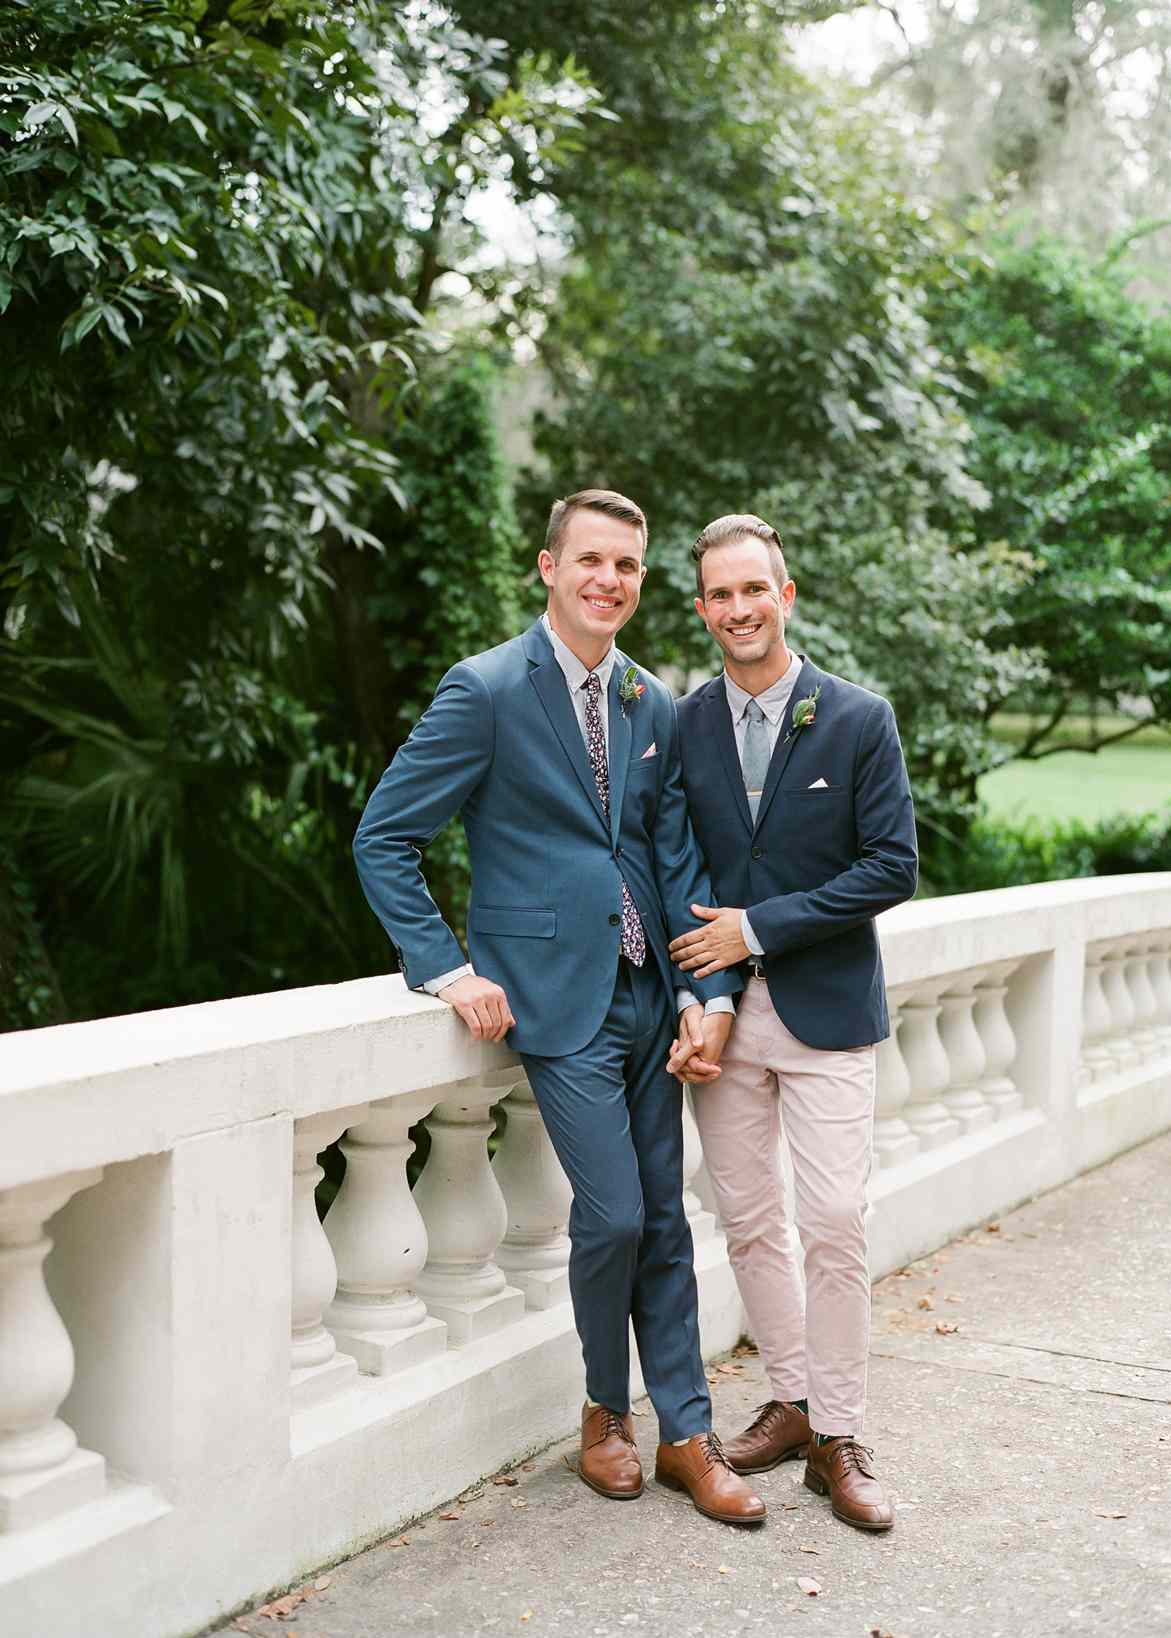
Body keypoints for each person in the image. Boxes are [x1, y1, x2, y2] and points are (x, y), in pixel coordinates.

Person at [354, 489, 766, 1526]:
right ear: (549, 567)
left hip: (645, 997)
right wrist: (449, 970)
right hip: (551, 1001)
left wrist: (701, 989)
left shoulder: (650, 702)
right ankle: (600, 1415)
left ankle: (686, 1434)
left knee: (665, 1221)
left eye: (626, 566)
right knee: (617, 1214)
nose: (608, 581)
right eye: (590, 560)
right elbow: (385, 837)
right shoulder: (486, 689)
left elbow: (669, 858)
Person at [668, 513, 918, 1533]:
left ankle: (844, 1439)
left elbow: (890, 866)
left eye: (752, 590)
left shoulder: (858, 718)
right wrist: (705, 989)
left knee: (836, 1224)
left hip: (825, 1013)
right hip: (725, 1023)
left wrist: (756, 929)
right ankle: (794, 1403)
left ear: (787, 593)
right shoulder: (684, 723)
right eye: (719, 595)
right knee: (750, 1223)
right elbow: (670, 855)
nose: (737, 609)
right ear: (702, 609)